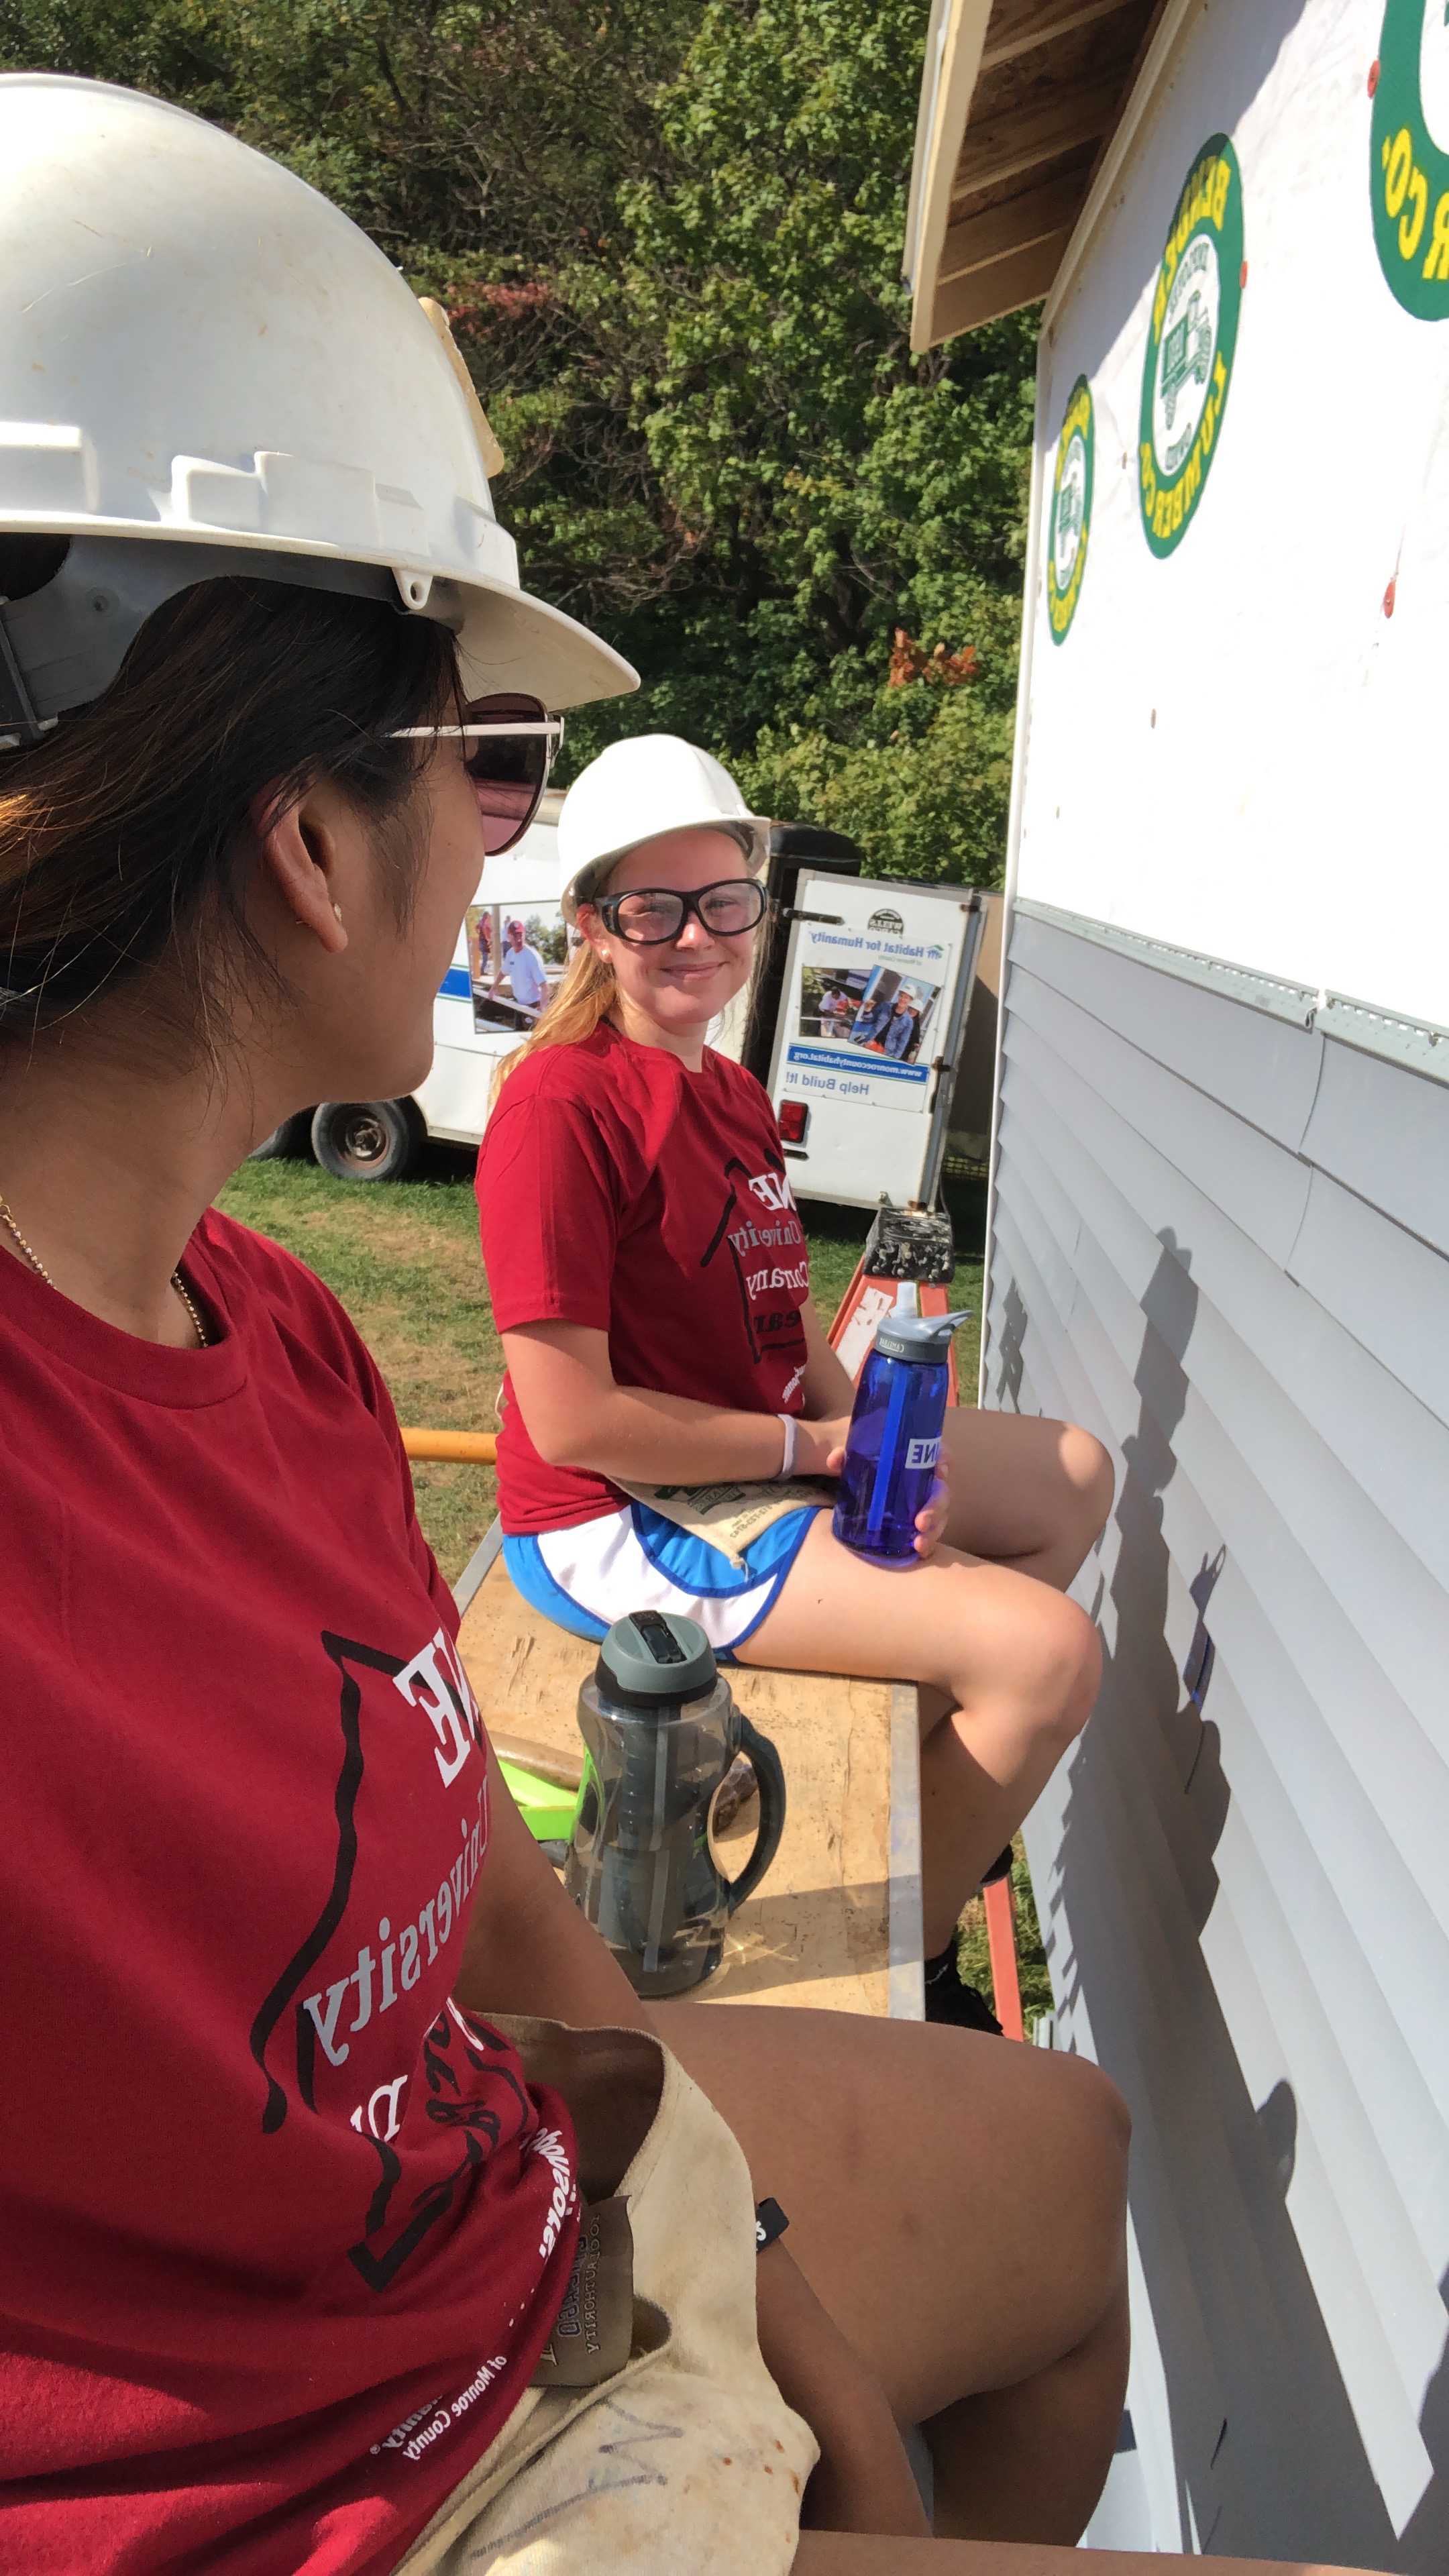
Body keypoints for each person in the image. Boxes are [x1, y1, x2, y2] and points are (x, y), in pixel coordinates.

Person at [0, 71, 1139, 2576]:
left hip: (486, 2202)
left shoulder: (273, 1327)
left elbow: (450, 1864)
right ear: (310, 844)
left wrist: (715, 2214)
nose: (522, 869)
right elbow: (582, 1424)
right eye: (489, 760)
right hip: (335, 2480)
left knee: (1066, 2156)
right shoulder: (532, 1141)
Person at [476, 731, 1115, 2031]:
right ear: (593, 924)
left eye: (721, 900)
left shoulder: (720, 1087)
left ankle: (923, 1801)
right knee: (1049, 1658)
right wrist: (824, 1462)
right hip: (619, 1518)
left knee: (1068, 1478)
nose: (694, 935)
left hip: (743, 1467)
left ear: (758, 901)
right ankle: (906, 1969)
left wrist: (868, 1443)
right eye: (650, 909)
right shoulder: (560, 1106)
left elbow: (785, 1336)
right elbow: (576, 1421)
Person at [501, 912, 550, 1010]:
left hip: (533, 1005)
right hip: (518, 1004)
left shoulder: (532, 956)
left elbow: (545, 986)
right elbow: (503, 972)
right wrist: (494, 988)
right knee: (517, 1026)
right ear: (509, 937)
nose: (519, 939)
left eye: (521, 935)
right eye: (515, 936)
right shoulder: (510, 954)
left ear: (524, 935)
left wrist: (543, 1006)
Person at [883, 991, 920, 1062]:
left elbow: (913, 1041)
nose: (912, 1011)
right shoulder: (897, 1016)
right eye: (911, 1008)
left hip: (902, 1054)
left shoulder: (915, 1026)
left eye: (915, 1010)